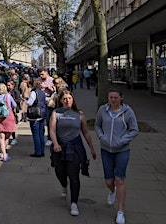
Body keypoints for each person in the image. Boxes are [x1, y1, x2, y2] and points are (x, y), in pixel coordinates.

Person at [49, 90, 97, 217]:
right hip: (60, 147)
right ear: (61, 100)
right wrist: (55, 144)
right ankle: (64, 184)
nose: (67, 100)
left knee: (74, 175)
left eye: (69, 98)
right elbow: (52, 130)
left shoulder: (79, 114)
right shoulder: (56, 113)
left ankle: (74, 203)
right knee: (60, 172)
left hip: (75, 147)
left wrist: (91, 148)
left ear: (73, 99)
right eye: (65, 98)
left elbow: (86, 132)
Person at [94, 88, 138, 224]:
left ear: (121, 98)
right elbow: (97, 125)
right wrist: (101, 136)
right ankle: (112, 191)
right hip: (106, 149)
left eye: (115, 98)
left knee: (120, 180)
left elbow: (134, 130)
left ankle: (120, 212)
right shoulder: (103, 110)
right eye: (111, 97)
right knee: (109, 181)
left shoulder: (128, 112)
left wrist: (121, 141)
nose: (113, 100)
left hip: (122, 150)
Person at [0, 83, 17, 162]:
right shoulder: (8, 96)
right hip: (9, 117)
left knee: (1, 137)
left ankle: (3, 154)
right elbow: (14, 105)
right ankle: (5, 152)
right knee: (7, 136)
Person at [25, 79, 47, 157]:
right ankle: (42, 151)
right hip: (42, 113)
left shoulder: (34, 92)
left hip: (35, 115)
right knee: (41, 134)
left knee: (36, 134)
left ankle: (37, 152)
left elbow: (30, 102)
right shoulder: (42, 92)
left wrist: (25, 100)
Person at [37, 68, 55, 146]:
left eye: (42, 74)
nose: (41, 76)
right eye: (40, 74)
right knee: (40, 120)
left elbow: (54, 91)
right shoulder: (38, 80)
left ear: (47, 73)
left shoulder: (52, 80)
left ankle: (50, 138)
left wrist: (47, 87)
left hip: (48, 102)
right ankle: (41, 137)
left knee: (48, 121)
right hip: (40, 103)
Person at [7, 80, 21, 145]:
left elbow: (19, 100)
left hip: (14, 110)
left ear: (13, 85)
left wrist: (11, 99)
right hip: (8, 109)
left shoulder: (16, 92)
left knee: (12, 125)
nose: (8, 87)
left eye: (9, 85)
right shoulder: (7, 91)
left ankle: (14, 138)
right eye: (7, 85)